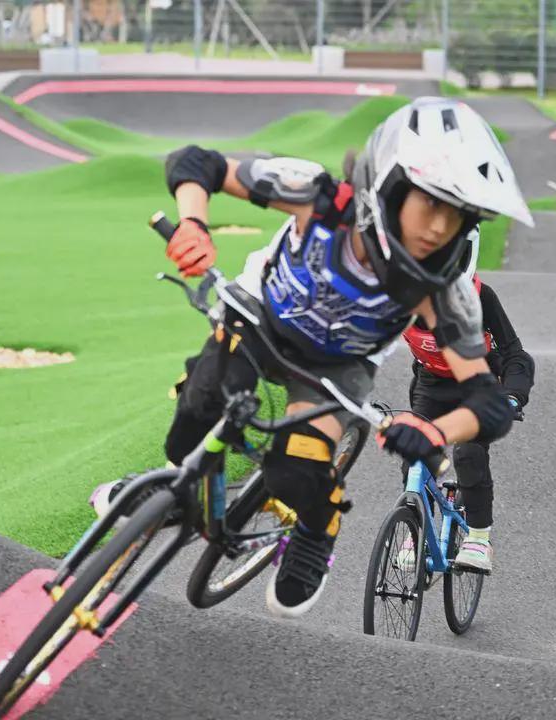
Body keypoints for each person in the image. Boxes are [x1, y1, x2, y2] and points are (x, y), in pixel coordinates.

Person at [91, 97, 533, 617]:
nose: (440, 229)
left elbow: (488, 402)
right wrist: (193, 224)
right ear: (387, 185)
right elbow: (196, 163)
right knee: (199, 407)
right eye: (431, 203)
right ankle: (177, 487)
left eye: (459, 216)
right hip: (259, 321)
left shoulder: (444, 291)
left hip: (334, 372)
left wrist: (438, 432)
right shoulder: (318, 195)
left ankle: (318, 526)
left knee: (298, 472)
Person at [399, 239, 534, 573]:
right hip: (432, 383)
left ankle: (478, 537)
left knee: (468, 453)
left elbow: (516, 356)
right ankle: (416, 528)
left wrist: (513, 396)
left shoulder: (481, 296)